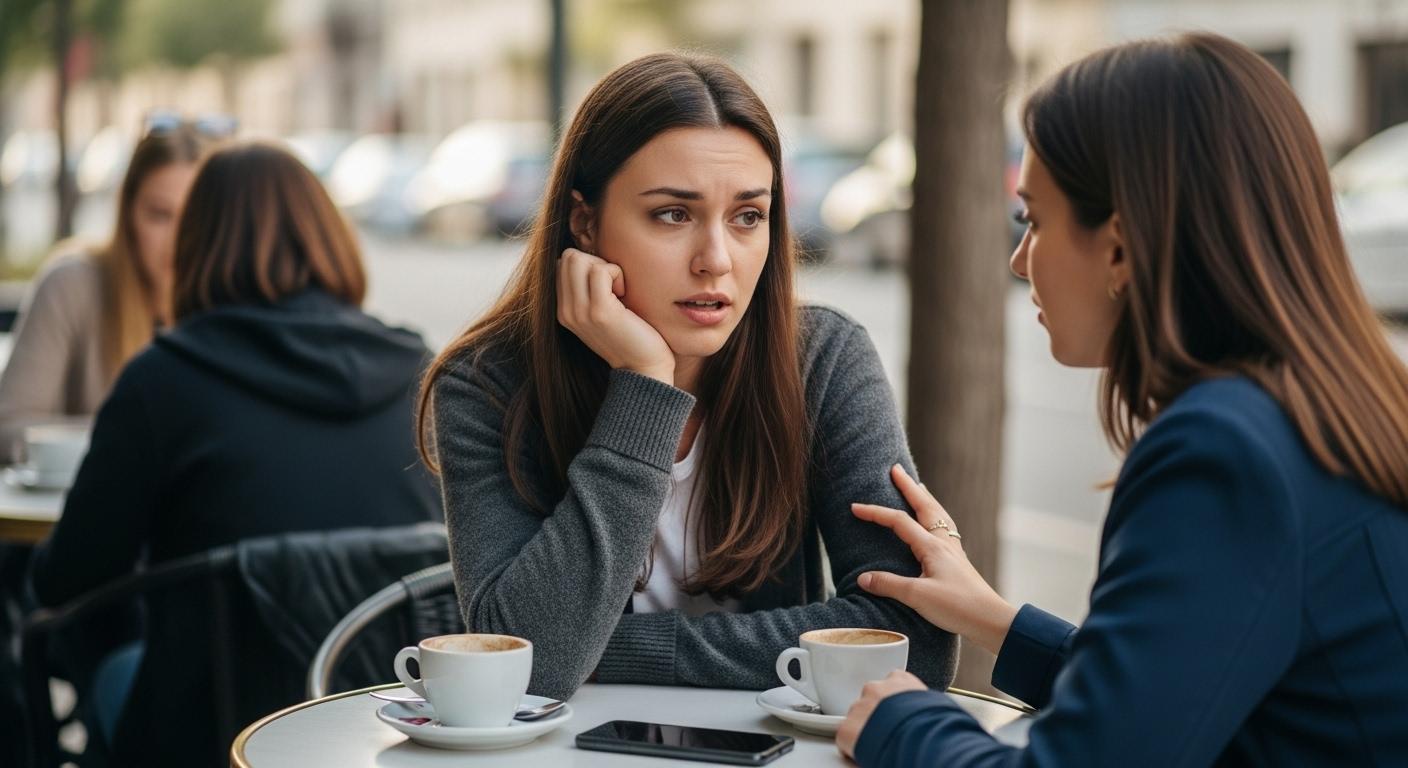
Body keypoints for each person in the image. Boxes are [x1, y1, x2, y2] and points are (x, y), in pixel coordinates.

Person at [835, 32, 1408, 766]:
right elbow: (1179, 692)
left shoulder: (1224, 451)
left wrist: (904, 722)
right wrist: (994, 620)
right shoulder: (1319, 403)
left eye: (1032, 221)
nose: (1019, 259)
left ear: (1120, 249)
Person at [419, 52, 956, 700]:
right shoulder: (486, 387)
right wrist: (645, 384)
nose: (716, 260)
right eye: (673, 214)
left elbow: (911, 639)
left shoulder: (822, 360)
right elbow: (528, 660)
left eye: (747, 216)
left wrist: (618, 652)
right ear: (585, 221)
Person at [28, 142, 442, 765]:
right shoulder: (421, 375)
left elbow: (65, 580)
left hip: (208, 726)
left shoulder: (162, 379)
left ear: (197, 248)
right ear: (330, 237)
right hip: (386, 723)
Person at [0, 118, 221, 460]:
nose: (179, 239)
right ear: (127, 212)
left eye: (195, 218)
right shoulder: (72, 285)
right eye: (161, 215)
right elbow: (7, 425)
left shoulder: (237, 298)